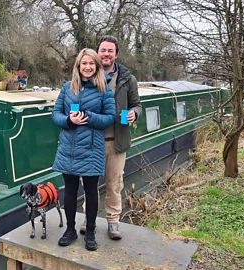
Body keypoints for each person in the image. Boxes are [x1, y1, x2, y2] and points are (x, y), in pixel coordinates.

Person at [52, 48, 116, 251]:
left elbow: (110, 117)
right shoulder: (66, 88)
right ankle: (70, 230)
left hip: (91, 147)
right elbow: (55, 114)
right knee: (69, 191)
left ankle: (90, 233)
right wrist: (69, 120)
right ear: (78, 66)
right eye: (84, 64)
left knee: (91, 192)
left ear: (96, 66)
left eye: (91, 64)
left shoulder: (104, 89)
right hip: (68, 148)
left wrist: (88, 116)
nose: (87, 67)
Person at [79, 36, 142, 240]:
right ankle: (89, 219)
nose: (106, 54)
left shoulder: (127, 79)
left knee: (114, 183)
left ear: (116, 54)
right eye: (103, 50)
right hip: (90, 141)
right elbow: (74, 100)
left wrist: (134, 113)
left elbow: (137, 104)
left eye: (110, 51)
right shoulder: (86, 75)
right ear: (98, 52)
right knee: (89, 183)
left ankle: (113, 221)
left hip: (116, 141)